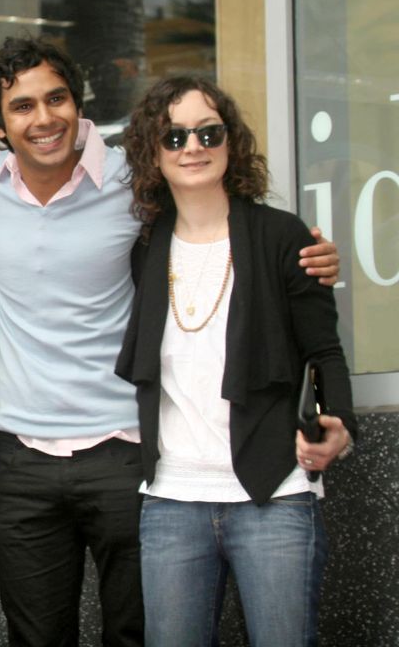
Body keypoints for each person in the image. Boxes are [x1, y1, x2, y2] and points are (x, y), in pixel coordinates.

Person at [0, 36, 341, 646]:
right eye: (22, 106)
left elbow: (218, 209)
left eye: (56, 98)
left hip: (125, 451)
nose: (43, 117)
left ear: (77, 106)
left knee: (137, 635)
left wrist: (302, 256)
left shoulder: (129, 181)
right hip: (21, 457)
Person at [115, 75, 355, 646]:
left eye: (208, 132)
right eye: (174, 137)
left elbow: (324, 351)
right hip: (171, 499)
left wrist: (337, 423)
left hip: (273, 493)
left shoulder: (282, 236)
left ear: (231, 142)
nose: (192, 147)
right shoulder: (147, 248)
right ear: (153, 151)